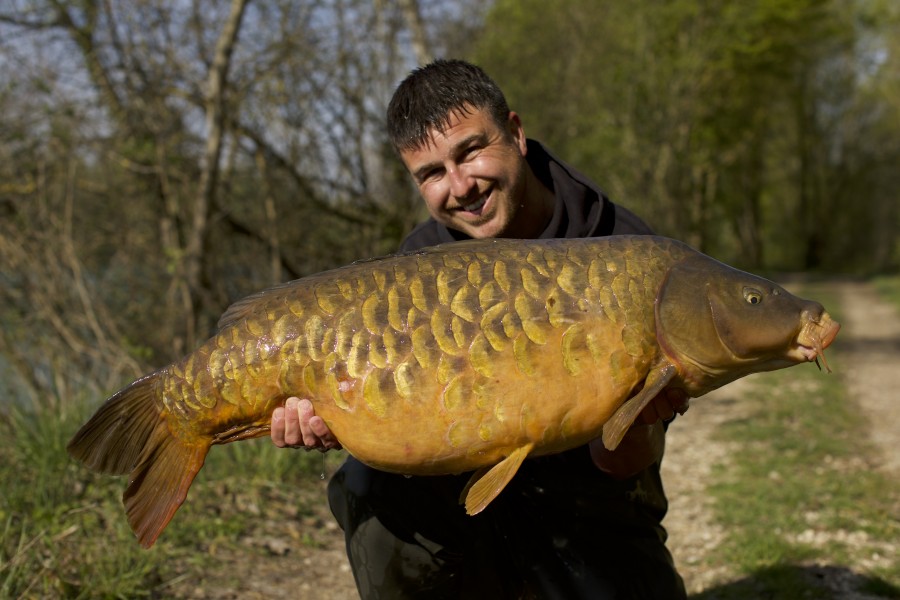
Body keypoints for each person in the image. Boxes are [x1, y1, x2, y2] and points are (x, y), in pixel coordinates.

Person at [271, 59, 689, 599]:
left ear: (515, 133)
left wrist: (633, 415)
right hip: (467, 503)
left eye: (470, 151)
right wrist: (333, 418)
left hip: (592, 506)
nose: (461, 186)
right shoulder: (418, 267)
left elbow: (625, 465)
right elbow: (389, 425)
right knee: (368, 487)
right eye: (432, 174)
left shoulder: (624, 252)